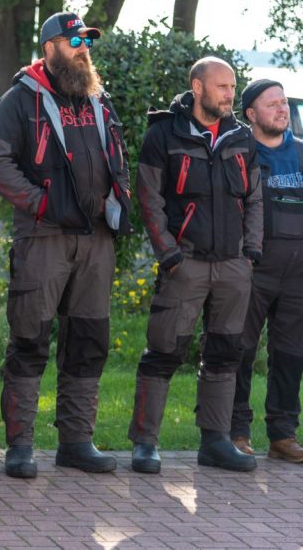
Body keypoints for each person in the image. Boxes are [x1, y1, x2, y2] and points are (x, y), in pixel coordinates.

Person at [0, 12, 132, 479]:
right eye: (74, 42)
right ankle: (20, 447)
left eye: (86, 42)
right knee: (29, 340)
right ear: (49, 48)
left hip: (97, 239)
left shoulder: (98, 98)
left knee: (88, 341)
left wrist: (120, 196)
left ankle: (76, 442)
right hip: (44, 238)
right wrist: (42, 204)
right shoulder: (19, 99)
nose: (83, 49)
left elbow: (119, 157)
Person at [129, 57, 261, 474]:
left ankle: (216, 442)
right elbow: (149, 198)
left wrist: (250, 252)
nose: (230, 94)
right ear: (198, 87)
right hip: (184, 264)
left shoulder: (242, 137)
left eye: (233, 87)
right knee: (163, 352)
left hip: (233, 267)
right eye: (222, 86)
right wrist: (169, 254)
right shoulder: (164, 133)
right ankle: (145, 443)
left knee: (225, 353)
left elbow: (254, 199)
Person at [231, 79, 303, 463]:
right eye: (272, 103)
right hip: (252, 267)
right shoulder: (239, 152)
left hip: (298, 272)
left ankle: (283, 434)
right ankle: (236, 431)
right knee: (239, 348)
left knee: (291, 353)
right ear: (251, 114)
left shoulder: (302, 152)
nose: (282, 109)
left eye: (284, 102)